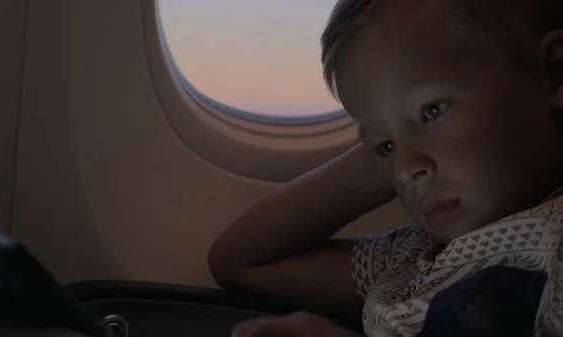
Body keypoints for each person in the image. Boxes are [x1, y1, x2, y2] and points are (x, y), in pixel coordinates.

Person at [208, 0, 563, 336]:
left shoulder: (552, 242)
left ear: (553, 72)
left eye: (433, 110)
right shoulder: (407, 258)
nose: (405, 169)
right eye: (385, 148)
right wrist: (389, 141)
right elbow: (240, 260)